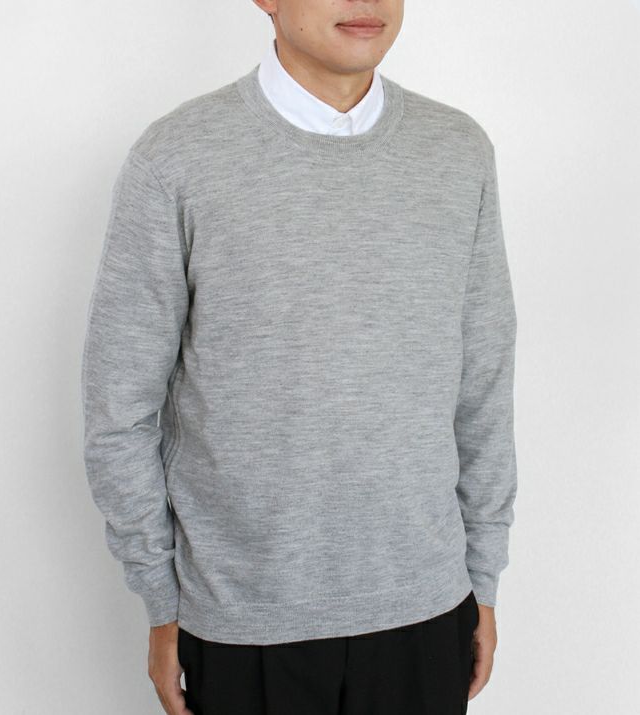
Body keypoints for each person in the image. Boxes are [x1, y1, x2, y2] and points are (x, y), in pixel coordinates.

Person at [80, 1, 518, 713]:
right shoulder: (177, 157)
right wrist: (159, 594)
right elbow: (119, 404)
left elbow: (484, 381)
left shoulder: (457, 150)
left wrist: (483, 576)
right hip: (242, 618)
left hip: (426, 607)